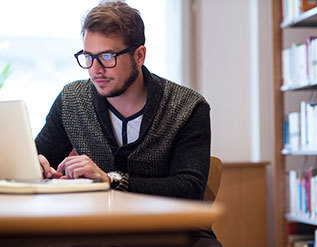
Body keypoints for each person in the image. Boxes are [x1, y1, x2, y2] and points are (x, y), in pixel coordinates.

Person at [35, 1, 222, 246]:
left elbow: (188, 188)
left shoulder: (187, 107)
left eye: (107, 56)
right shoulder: (72, 100)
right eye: (88, 57)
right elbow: (40, 155)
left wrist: (111, 179)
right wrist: (36, 164)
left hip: (174, 229)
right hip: (97, 227)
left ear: (139, 55)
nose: (95, 70)